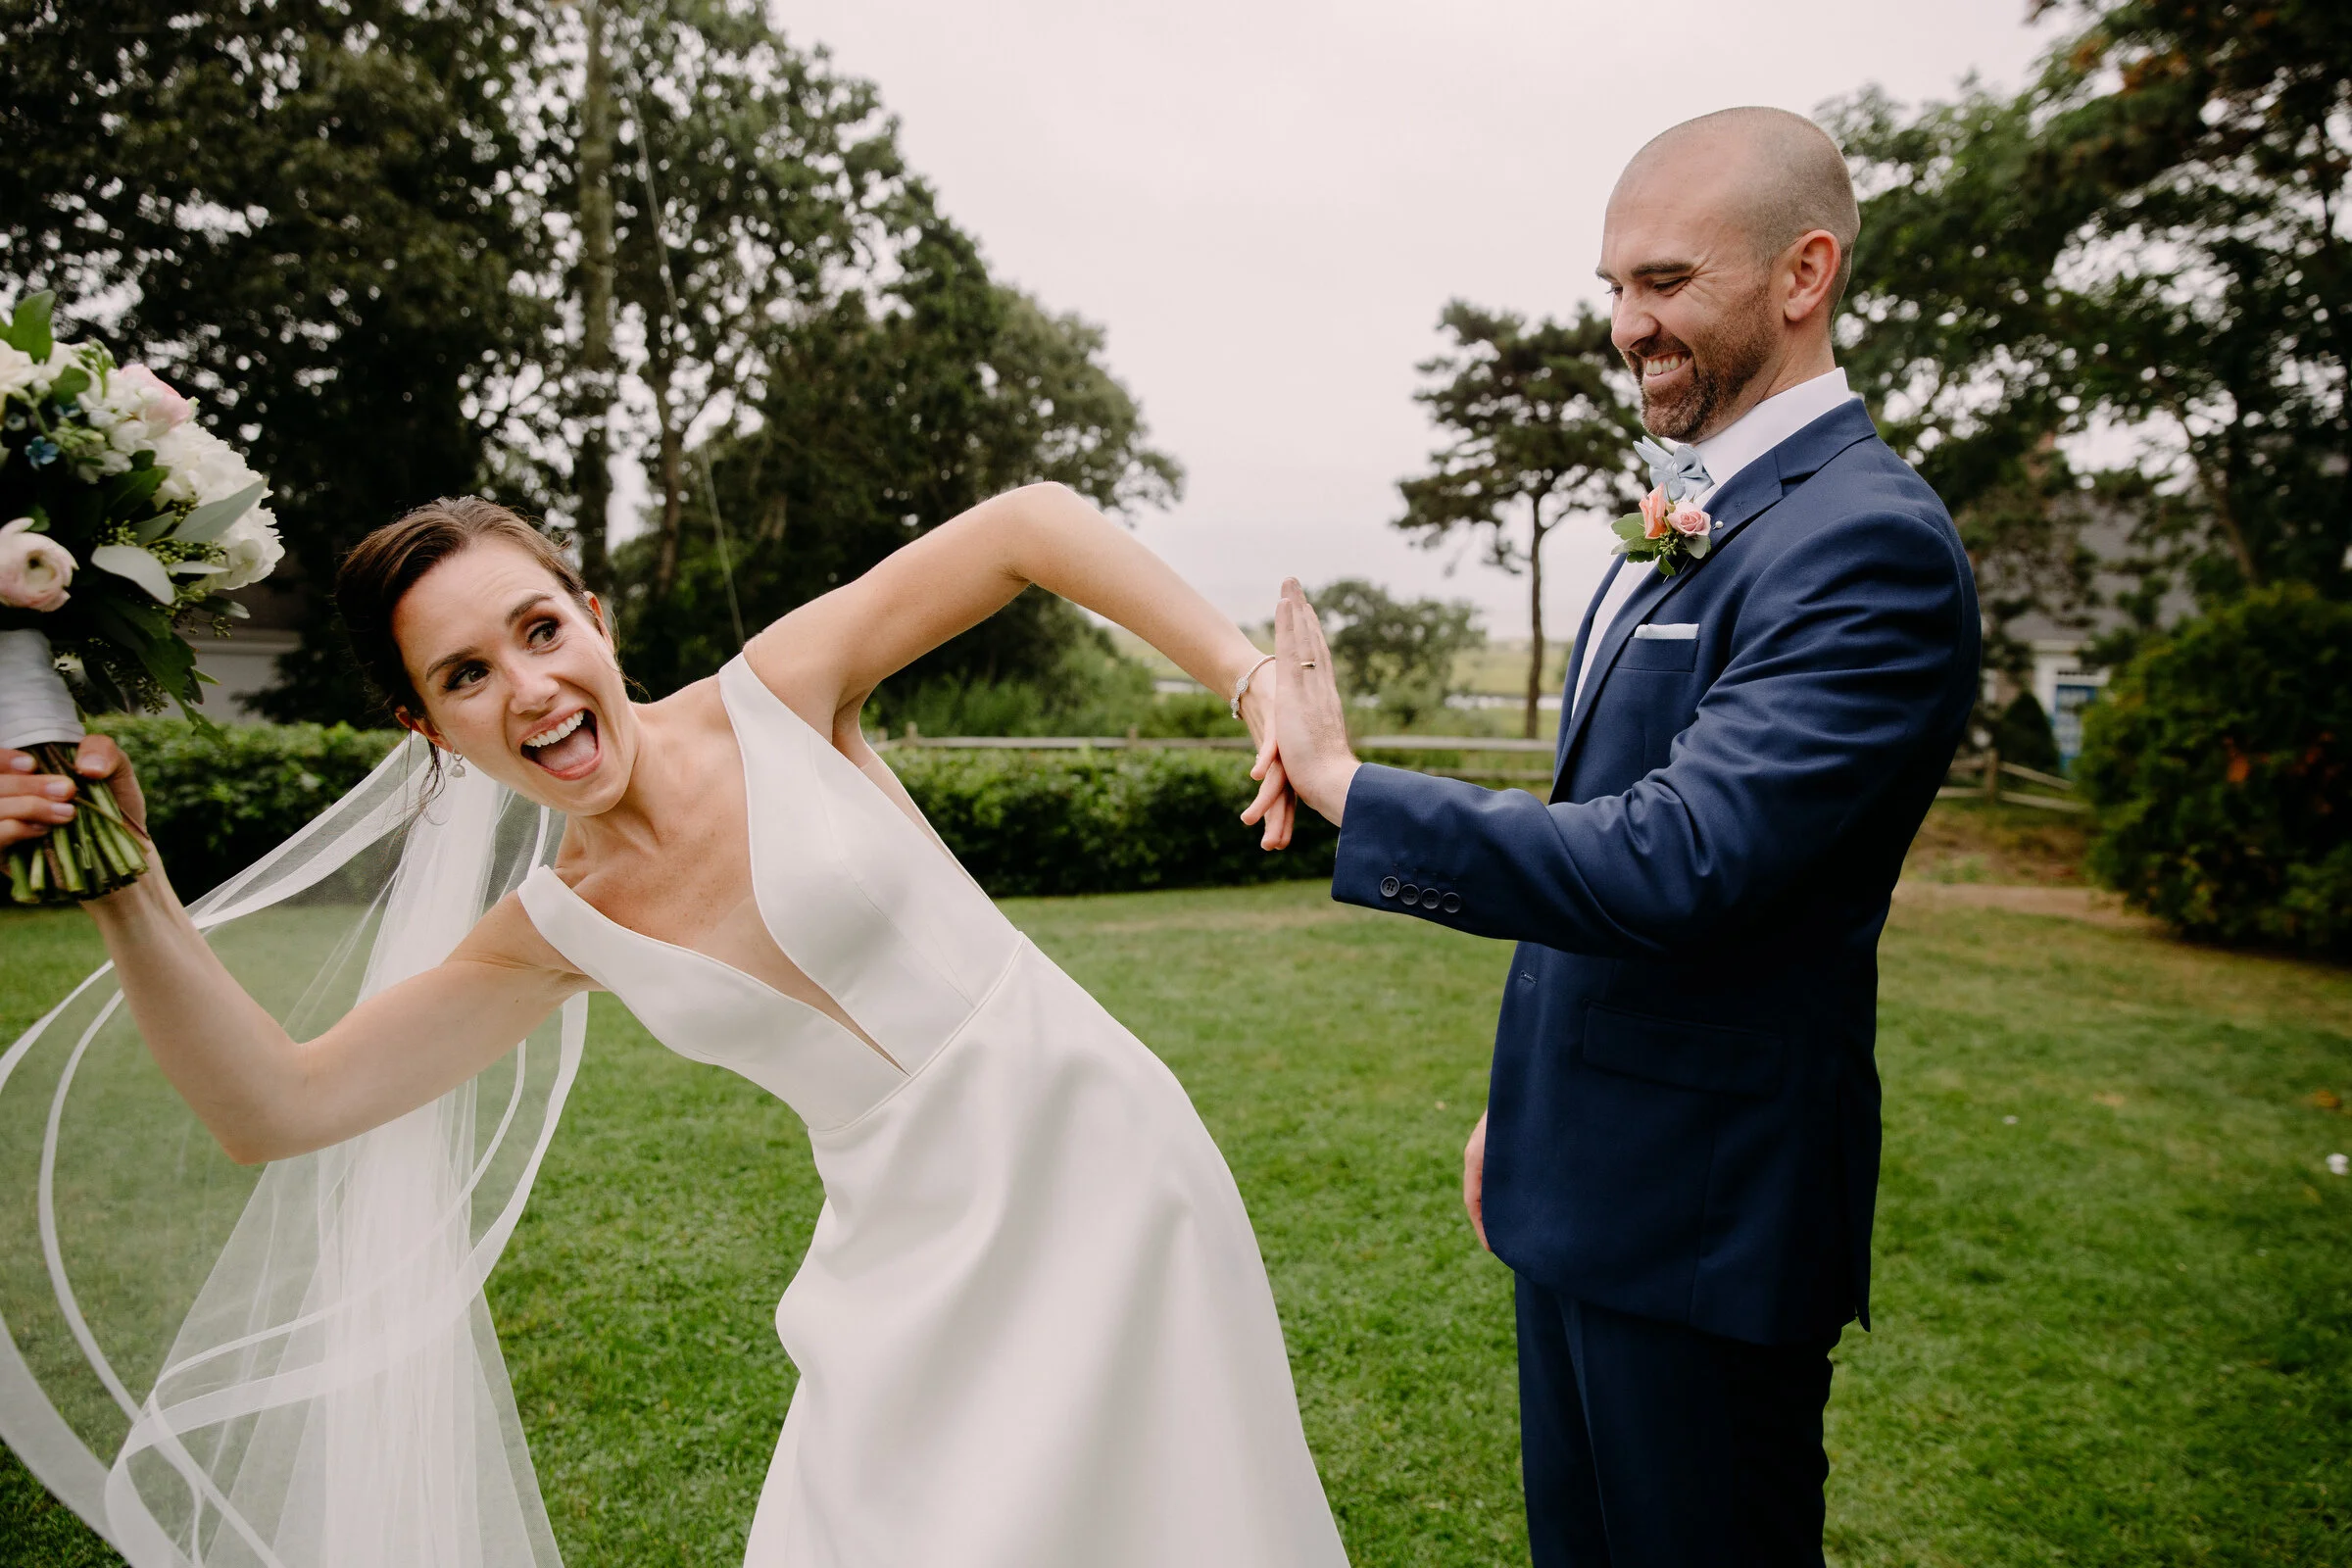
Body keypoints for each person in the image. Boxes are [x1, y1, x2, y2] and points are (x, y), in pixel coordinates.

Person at [0, 486, 1348, 1567]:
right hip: (906, 1276)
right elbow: (275, 1108)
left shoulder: (778, 694)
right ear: (430, 728)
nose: (529, 688)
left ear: (595, 620)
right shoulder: (555, 927)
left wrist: (1252, 685)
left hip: (1111, 1176)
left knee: (1184, 1511)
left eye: (540, 630)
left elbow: (1027, 526)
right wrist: (129, 883)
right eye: (466, 675)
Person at [1253, 108, 1981, 1566]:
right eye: (1613, 287)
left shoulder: (1867, 545)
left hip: (1708, 1223)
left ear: (1805, 273)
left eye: (1665, 282)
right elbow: (1598, 839)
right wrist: (1531, 1110)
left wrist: (1348, 784)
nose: (1625, 326)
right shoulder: (1702, 520)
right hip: (1589, 1178)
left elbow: (1677, 858)